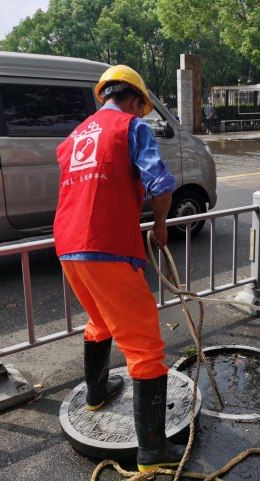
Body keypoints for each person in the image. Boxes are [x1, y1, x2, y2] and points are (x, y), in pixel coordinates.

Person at [53, 65, 184, 473]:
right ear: (136, 100)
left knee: (99, 319)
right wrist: (161, 224)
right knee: (145, 347)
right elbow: (160, 185)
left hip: (68, 247)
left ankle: (96, 393)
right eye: (142, 108)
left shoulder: (73, 138)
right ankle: (152, 452)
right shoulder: (132, 127)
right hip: (107, 247)